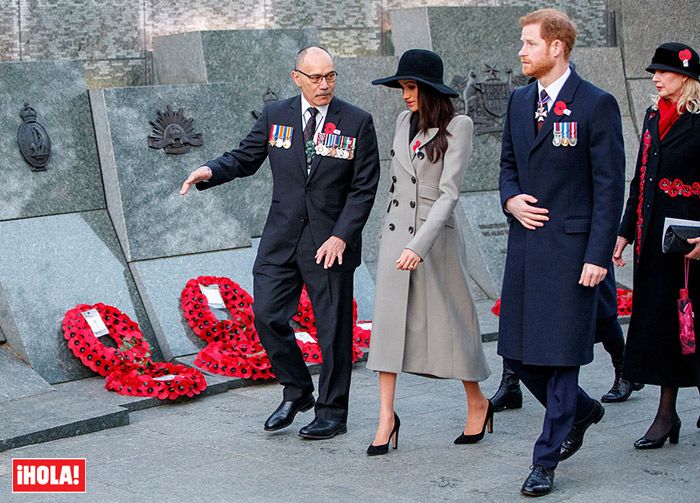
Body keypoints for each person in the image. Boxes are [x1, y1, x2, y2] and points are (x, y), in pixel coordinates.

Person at [180, 46, 380, 440]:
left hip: (329, 244)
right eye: (316, 78)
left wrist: (342, 235)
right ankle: (298, 389)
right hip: (282, 238)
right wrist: (209, 171)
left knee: (333, 332)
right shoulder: (277, 116)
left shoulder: (357, 121)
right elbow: (244, 158)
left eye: (331, 76)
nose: (325, 85)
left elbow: (363, 187)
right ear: (297, 78)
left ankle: (332, 412)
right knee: (267, 315)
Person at [498, 9, 625, 496]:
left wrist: (597, 255)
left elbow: (609, 187)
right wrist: (510, 198)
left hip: (574, 255)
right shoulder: (517, 101)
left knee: (563, 355)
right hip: (527, 249)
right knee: (520, 353)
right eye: (522, 42)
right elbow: (508, 166)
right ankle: (583, 409)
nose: (521, 51)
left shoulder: (596, 104)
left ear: (557, 47)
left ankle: (544, 460)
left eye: (530, 43)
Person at [365, 49, 491, 457]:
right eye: (402, 87)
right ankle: (386, 417)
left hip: (434, 241)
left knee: (451, 325)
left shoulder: (460, 126)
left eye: (410, 87)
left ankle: (477, 401)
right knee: (386, 326)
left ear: (430, 90)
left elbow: (448, 195)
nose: (404, 95)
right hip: (393, 235)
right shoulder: (404, 122)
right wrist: (398, 243)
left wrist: (418, 246)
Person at [613, 42, 700, 449]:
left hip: (694, 247)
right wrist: (625, 231)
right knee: (666, 328)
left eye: (663, 72)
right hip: (656, 244)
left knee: (693, 326)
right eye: (654, 71)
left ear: (686, 77)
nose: (655, 78)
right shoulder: (652, 116)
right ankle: (667, 415)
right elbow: (640, 179)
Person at [490, 270, 643, 411]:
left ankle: (625, 372)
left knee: (600, 310)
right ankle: (510, 383)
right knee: (522, 306)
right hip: (539, 248)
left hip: (581, 249)